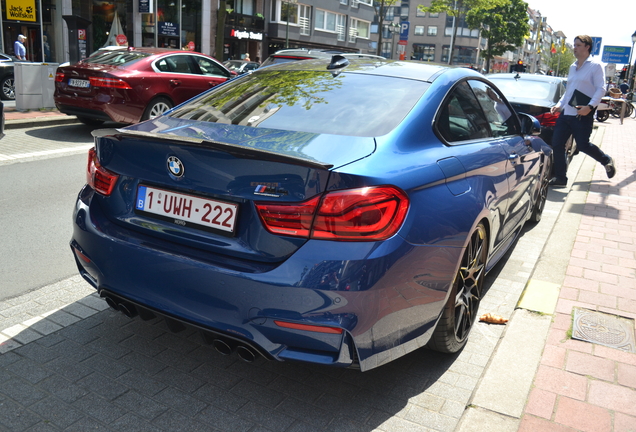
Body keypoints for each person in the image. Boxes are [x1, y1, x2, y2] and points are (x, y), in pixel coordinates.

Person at [549, 35, 615, 187]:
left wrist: (590, 107)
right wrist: (560, 105)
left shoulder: (595, 66)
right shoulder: (572, 67)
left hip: (582, 114)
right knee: (557, 144)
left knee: (583, 145)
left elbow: (601, 88)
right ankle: (561, 178)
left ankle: (606, 160)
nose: (575, 48)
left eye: (578, 45)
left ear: (587, 47)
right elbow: (569, 91)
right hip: (566, 113)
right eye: (574, 45)